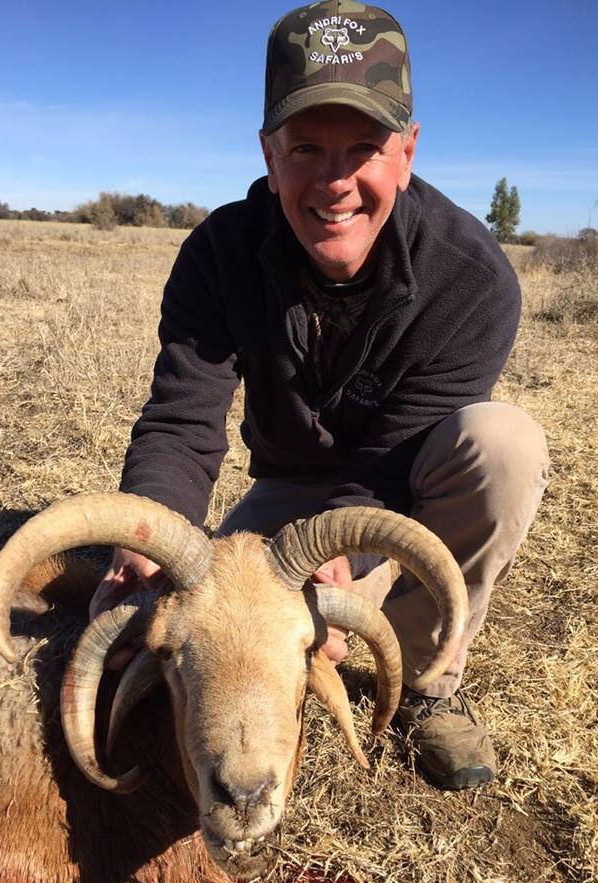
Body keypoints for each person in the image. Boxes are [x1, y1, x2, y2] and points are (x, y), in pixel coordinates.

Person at [89, 0, 549, 791]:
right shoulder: (219, 254)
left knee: (504, 448)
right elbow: (181, 419)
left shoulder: (472, 277)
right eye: (305, 147)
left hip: (399, 487)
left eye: (364, 148)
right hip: (287, 486)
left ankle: (429, 682)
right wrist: (148, 535)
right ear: (270, 155)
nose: (335, 181)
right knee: (198, 619)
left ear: (405, 154)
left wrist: (341, 561)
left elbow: (388, 464)